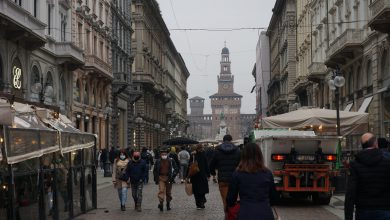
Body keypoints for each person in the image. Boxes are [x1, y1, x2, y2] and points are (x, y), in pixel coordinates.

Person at [344, 133, 390, 220]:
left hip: (363, 210)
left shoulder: (355, 164)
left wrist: (348, 216)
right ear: (376, 143)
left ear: (362, 146)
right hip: (385, 209)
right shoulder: (387, 162)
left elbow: (350, 193)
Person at [226, 143, 276, 220]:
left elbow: (230, 199)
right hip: (265, 213)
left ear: (243, 156)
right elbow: (273, 198)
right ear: (260, 156)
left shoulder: (237, 174)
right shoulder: (267, 173)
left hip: (245, 213)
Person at [209, 134, 241, 216]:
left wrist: (213, 173)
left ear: (223, 140)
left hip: (223, 180)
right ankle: (232, 216)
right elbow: (241, 165)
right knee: (233, 201)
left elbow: (211, 165)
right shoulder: (237, 150)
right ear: (231, 140)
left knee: (225, 201)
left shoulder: (217, 150)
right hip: (234, 180)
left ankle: (227, 216)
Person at [189, 144, 210, 210]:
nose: (202, 149)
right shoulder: (195, 155)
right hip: (200, 175)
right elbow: (206, 165)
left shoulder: (193, 155)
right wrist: (208, 174)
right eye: (201, 148)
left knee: (197, 191)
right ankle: (201, 202)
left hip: (195, 175)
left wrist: (187, 175)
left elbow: (189, 166)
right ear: (199, 149)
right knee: (200, 190)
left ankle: (200, 203)